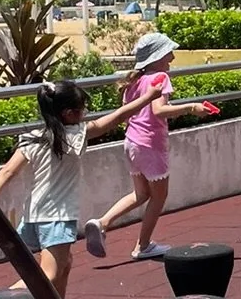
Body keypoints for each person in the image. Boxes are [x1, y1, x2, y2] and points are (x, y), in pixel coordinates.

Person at [0, 80, 144, 299]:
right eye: (82, 109)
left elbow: (7, 172)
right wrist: (149, 96)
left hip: (34, 215)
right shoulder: (75, 135)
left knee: (65, 264)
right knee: (48, 275)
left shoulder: (34, 138)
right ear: (69, 114)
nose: (85, 113)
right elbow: (117, 117)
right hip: (57, 217)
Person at [84, 31, 216, 262]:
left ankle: (102, 222)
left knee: (141, 193)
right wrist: (191, 107)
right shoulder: (160, 79)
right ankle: (142, 246)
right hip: (150, 145)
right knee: (159, 196)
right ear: (157, 57)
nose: (172, 58)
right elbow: (158, 111)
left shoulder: (134, 81)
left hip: (132, 142)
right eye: (168, 53)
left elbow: (141, 111)